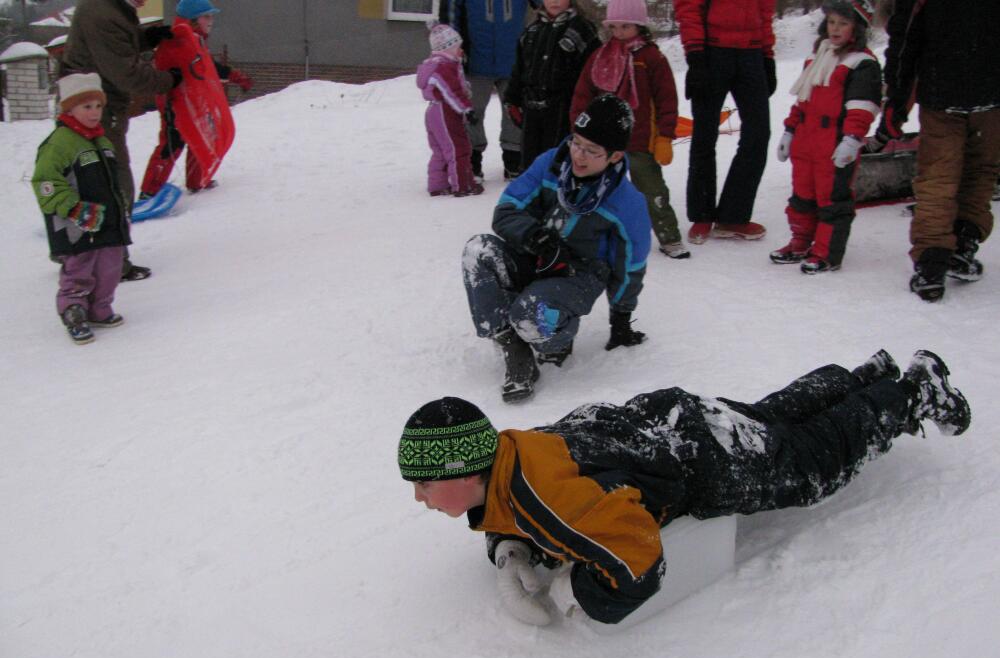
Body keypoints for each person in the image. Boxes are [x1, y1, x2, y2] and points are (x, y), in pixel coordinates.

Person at [398, 349, 971, 626]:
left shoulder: (548, 500)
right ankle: (862, 379)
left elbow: (639, 560)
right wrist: (509, 545)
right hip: (667, 420)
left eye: (425, 485)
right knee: (768, 422)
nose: (420, 498)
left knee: (811, 462)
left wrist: (586, 594)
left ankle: (914, 392)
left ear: (466, 472)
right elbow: (522, 504)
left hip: (702, 461)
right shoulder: (511, 452)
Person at [461, 94, 651, 403]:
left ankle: (556, 340)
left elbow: (631, 265)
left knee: (530, 315)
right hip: (536, 256)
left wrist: (621, 319)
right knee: (478, 250)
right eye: (577, 142)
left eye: (592, 151)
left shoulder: (627, 203)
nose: (578, 155)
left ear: (615, 156)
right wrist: (534, 236)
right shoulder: (551, 163)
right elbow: (506, 210)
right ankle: (512, 344)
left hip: (579, 274)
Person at [876, 0, 1000, 302]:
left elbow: (905, 38)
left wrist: (896, 99)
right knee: (979, 171)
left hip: (944, 91)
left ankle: (933, 262)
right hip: (984, 92)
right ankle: (961, 245)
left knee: (938, 177)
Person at [60, 0, 180, 282]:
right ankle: (110, 263)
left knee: (88, 182)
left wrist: (145, 38)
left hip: (90, 106)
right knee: (112, 184)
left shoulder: (109, 7)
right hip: (93, 112)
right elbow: (126, 74)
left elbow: (112, 48)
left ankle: (76, 254)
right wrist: (169, 80)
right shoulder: (103, 13)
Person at [769, 1, 880, 274]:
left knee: (832, 199)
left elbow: (862, 106)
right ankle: (800, 242)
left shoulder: (862, 63)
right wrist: (790, 130)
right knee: (802, 195)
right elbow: (802, 101)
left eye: (843, 23)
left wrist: (852, 138)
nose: (835, 29)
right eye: (831, 22)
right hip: (806, 140)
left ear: (857, 28)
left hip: (833, 141)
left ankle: (826, 252)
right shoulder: (817, 57)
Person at [570, 0, 685, 258]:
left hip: (640, 140)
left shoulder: (651, 57)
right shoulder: (600, 57)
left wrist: (665, 136)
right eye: (614, 27)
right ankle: (595, 234)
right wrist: (579, 129)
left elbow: (667, 99)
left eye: (626, 26)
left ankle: (669, 236)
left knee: (651, 191)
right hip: (603, 142)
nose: (619, 32)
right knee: (600, 189)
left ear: (639, 26)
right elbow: (582, 94)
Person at [32, 74, 130, 344]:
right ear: (69, 108)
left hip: (108, 222)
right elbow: (45, 182)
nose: (94, 113)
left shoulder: (102, 142)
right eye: (86, 107)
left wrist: (121, 209)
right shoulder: (60, 143)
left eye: (98, 106)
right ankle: (74, 311)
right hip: (76, 224)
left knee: (110, 267)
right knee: (79, 269)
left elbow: (112, 181)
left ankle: (99, 308)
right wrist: (73, 207)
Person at [675, 0, 775, 245]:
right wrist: (695, 54)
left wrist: (767, 55)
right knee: (704, 136)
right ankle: (702, 214)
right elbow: (688, 7)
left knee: (758, 133)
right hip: (711, 52)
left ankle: (733, 216)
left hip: (751, 53)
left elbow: (765, 10)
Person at [138, 0, 253, 200]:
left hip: (194, 99)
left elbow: (207, 66)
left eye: (211, 16)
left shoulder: (194, 39)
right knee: (171, 144)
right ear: (192, 19)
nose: (211, 21)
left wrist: (234, 75)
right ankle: (149, 191)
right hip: (175, 101)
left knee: (201, 134)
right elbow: (172, 68)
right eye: (206, 16)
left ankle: (197, 181)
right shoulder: (177, 39)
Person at [439, 0, 539, 180]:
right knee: (471, 112)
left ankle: (514, 159)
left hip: (514, 61)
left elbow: (549, 5)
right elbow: (450, 15)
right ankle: (471, 161)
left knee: (515, 111)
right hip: (475, 61)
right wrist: (451, 50)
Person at [504, 0, 600, 173]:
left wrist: (585, 106)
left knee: (558, 160)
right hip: (531, 108)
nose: (554, 1)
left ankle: (558, 188)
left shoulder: (582, 29)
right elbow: (519, 69)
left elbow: (592, 73)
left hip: (563, 109)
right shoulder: (532, 30)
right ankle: (532, 188)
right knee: (530, 162)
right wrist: (512, 99)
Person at [415, 24, 483, 198]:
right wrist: (467, 109)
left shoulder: (434, 65)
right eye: (458, 47)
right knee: (458, 148)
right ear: (448, 48)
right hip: (446, 112)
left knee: (440, 150)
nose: (461, 50)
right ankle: (463, 185)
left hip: (433, 111)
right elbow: (452, 91)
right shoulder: (445, 66)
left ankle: (437, 185)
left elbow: (454, 87)